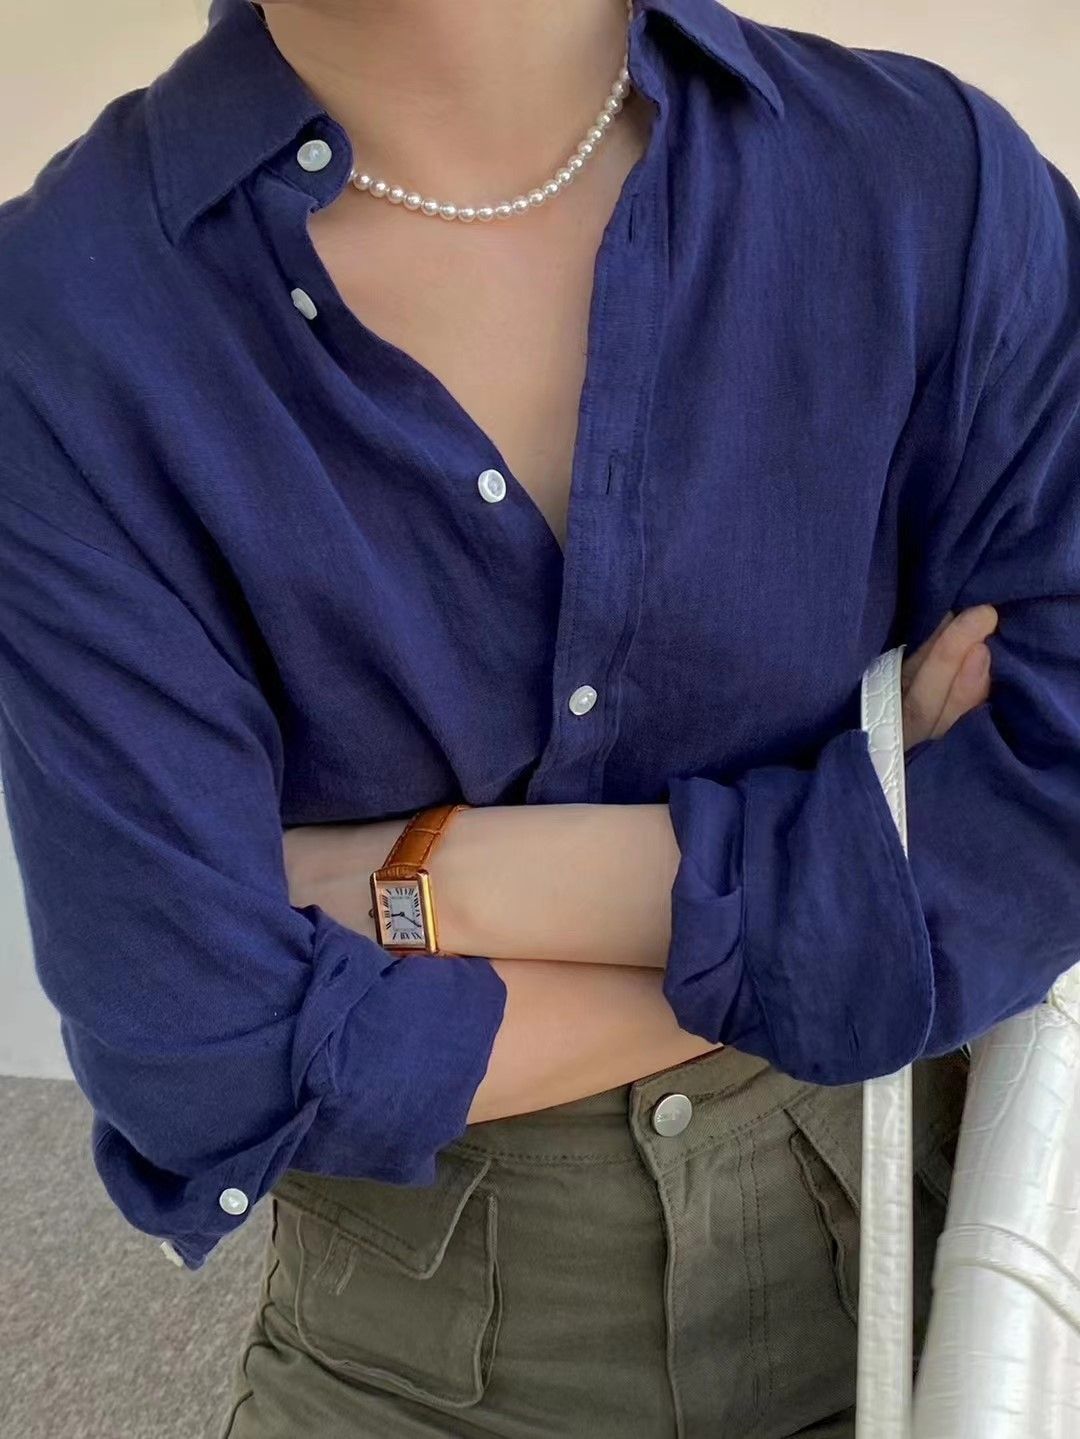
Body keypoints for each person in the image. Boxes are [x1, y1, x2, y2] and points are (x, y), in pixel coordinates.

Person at [0, 1, 1077, 1435]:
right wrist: (853, 907)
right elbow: (199, 1059)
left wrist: (416, 880)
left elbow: (1054, 816)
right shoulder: (62, 322)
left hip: (922, 1269)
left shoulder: (927, 180)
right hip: (409, 1331)